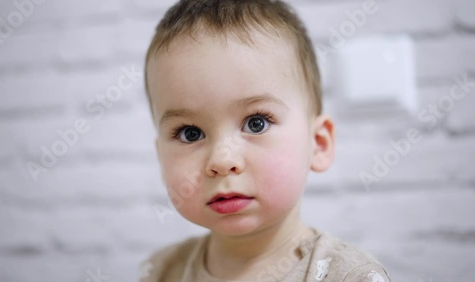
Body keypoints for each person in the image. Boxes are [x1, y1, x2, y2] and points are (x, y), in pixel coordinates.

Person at [140, 0, 391, 281]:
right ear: (160, 155)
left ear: (318, 143)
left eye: (256, 123)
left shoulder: (346, 276)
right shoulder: (161, 272)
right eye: (191, 133)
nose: (222, 161)